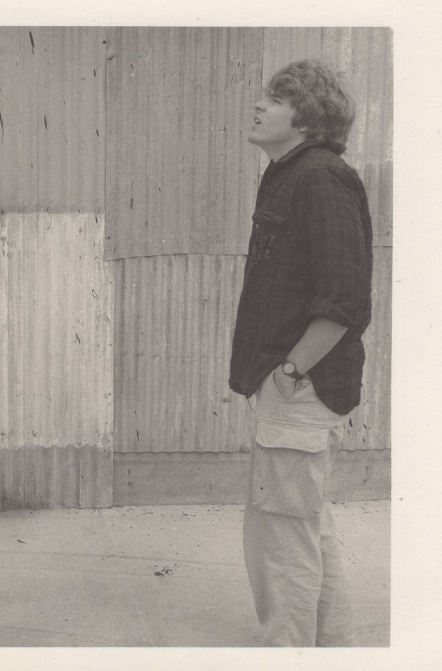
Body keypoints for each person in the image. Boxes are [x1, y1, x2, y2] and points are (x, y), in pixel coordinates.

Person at [229, 60, 373, 646]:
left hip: (302, 383)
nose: (259, 105)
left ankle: (286, 651)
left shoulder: (319, 179)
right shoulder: (289, 172)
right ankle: (330, 646)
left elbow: (343, 299)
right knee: (303, 522)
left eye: (275, 98)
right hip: (293, 380)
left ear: (308, 119)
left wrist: (290, 371)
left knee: (282, 535)